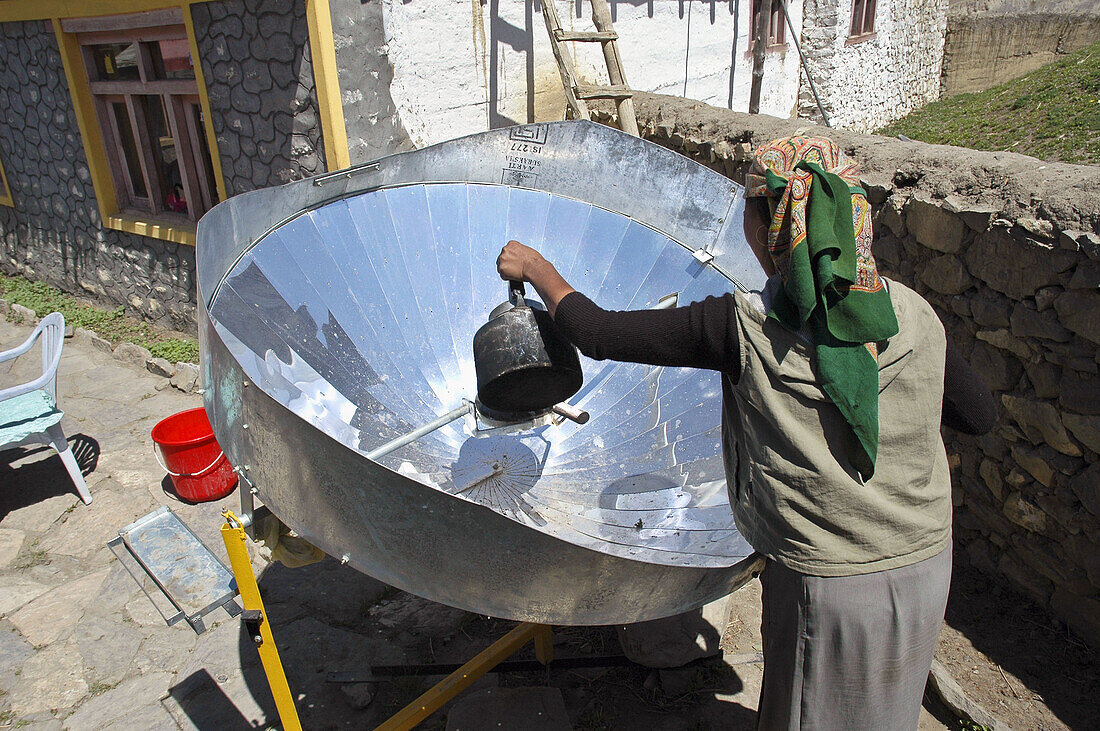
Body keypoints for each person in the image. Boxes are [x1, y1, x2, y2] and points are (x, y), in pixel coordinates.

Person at [495, 135, 995, 729]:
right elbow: (977, 416)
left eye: (751, 218)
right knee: (885, 711)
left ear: (771, 231)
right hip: (925, 562)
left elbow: (600, 333)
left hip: (830, 583)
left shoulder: (744, 328)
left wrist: (538, 270)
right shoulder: (912, 311)